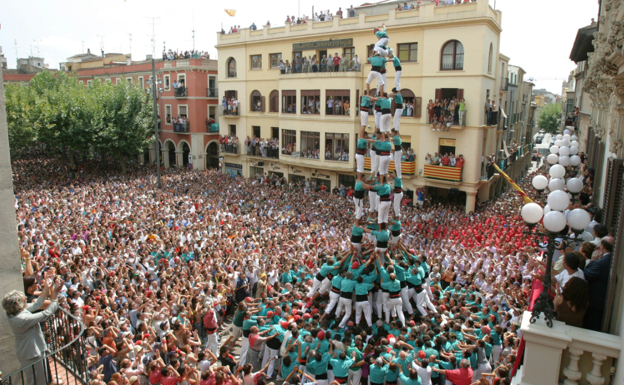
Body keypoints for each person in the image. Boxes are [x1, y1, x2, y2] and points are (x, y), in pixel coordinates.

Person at [3, 277, 63, 385]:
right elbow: (46, 313)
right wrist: (55, 296)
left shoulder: (16, 311)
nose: (26, 300)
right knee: (37, 381)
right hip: (31, 353)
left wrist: (46, 288)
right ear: (18, 304)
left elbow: (36, 305)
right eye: (24, 300)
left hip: (33, 350)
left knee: (41, 379)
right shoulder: (21, 319)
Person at [583, 238, 614, 331]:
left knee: (592, 326)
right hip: (603, 298)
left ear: (603, 246)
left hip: (596, 300)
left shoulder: (600, 263)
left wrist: (593, 260)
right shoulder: (609, 259)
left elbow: (586, 274)